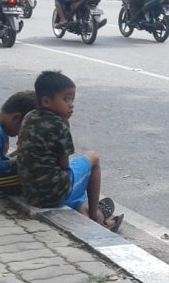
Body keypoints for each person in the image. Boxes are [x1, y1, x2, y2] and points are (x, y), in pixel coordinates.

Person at [16, 71, 123, 232]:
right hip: (52, 193)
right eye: (66, 99)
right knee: (92, 159)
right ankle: (95, 214)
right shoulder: (59, 124)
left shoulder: (30, 116)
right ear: (46, 101)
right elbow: (64, 164)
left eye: (72, 99)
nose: (71, 104)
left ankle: (85, 210)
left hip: (30, 191)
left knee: (76, 180)